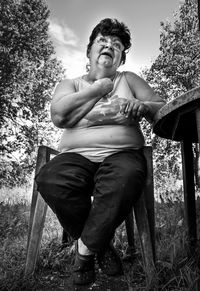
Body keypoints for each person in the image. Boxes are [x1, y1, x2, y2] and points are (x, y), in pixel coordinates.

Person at [36, 18, 165, 285]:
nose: (109, 46)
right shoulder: (69, 84)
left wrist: (142, 106)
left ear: (121, 58)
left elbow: (159, 107)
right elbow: (58, 113)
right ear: (89, 51)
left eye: (116, 45)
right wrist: (99, 88)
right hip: (75, 156)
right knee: (51, 179)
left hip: (122, 154)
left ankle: (84, 253)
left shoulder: (128, 79)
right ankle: (102, 247)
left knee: (127, 176)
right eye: (102, 42)